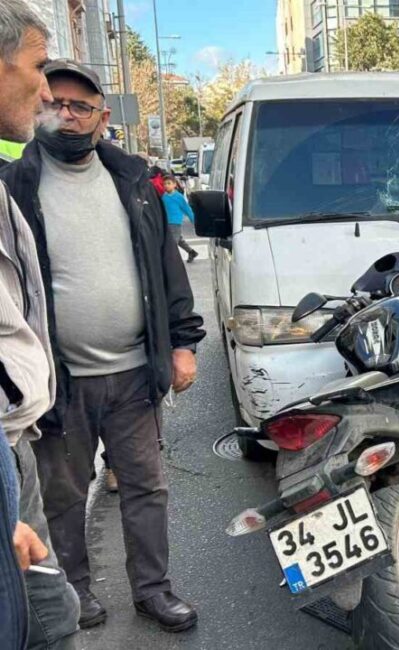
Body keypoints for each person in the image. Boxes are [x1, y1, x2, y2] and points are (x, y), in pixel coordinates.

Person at [0, 59, 206, 633]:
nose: (66, 115)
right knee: (63, 496)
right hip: (59, 382)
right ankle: (74, 592)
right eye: (55, 103)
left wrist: (184, 343)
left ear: (102, 116)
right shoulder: (14, 185)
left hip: (136, 373)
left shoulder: (133, 181)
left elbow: (166, 269)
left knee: (147, 489)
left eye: (80, 106)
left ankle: (154, 590)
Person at [0, 3, 81, 648]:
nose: (49, 93)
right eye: (37, 66)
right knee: (47, 621)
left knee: (49, 617)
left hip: (12, 446)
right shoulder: (21, 172)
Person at [162, 176, 198, 263]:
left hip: (175, 222)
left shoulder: (179, 197)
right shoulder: (163, 197)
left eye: (169, 183)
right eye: (165, 184)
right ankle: (191, 252)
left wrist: (194, 220)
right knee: (179, 240)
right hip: (166, 222)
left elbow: (187, 209)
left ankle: (172, 261)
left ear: (174, 184)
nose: (166, 185)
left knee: (173, 243)